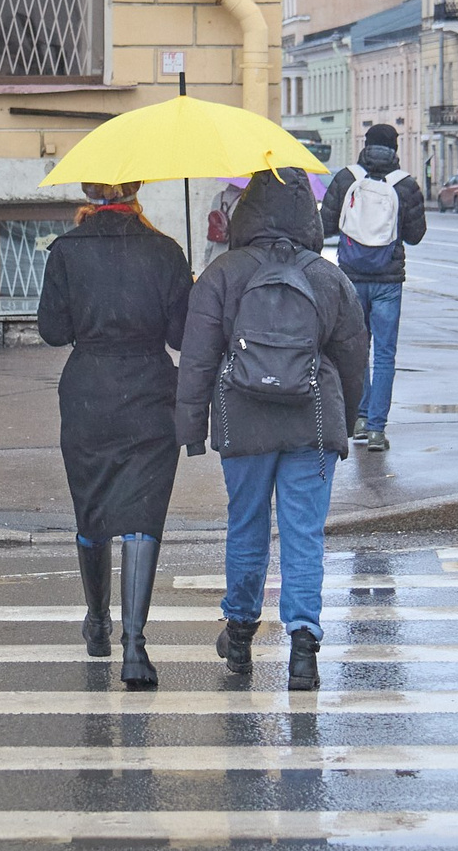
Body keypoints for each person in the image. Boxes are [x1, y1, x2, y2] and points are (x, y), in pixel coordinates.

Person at [176, 169, 369, 693]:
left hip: (242, 419)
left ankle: (239, 636)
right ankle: (303, 647)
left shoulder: (223, 273)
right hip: (313, 421)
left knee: (247, 526)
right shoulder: (329, 277)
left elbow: (196, 359)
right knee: (304, 534)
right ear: (308, 215)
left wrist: (192, 429)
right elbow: (355, 360)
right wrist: (345, 422)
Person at [35, 180, 191, 687]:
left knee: (93, 505)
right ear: (136, 188)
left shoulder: (66, 251)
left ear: (89, 190)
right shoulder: (164, 250)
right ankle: (135, 648)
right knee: (143, 513)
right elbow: (181, 336)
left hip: (88, 394)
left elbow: (54, 331)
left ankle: (98, 623)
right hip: (149, 391)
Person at [319, 123, 427, 453]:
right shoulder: (405, 184)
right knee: (385, 355)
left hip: (351, 276)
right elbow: (415, 235)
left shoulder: (346, 178)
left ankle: (360, 418)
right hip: (388, 280)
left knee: (355, 350)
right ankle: (378, 430)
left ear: (365, 145)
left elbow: (324, 225)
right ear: (395, 148)